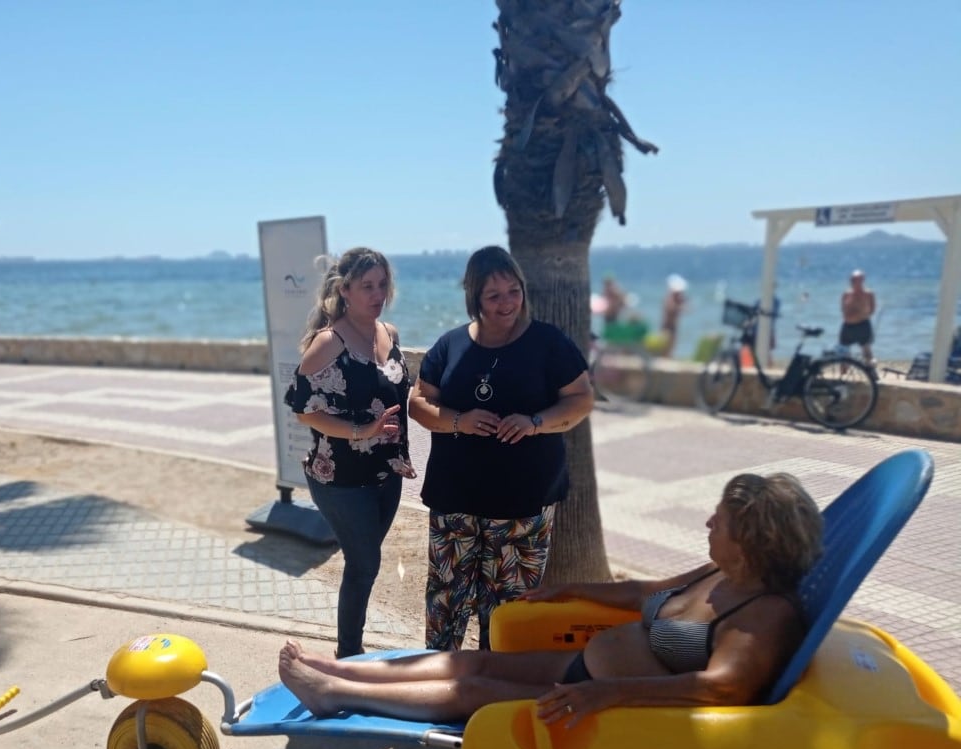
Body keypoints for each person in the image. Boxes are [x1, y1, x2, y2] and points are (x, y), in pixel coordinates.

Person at [277, 472, 823, 724]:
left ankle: (336, 694)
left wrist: (606, 696)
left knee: (472, 688)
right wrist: (572, 587)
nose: (708, 521)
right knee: (475, 658)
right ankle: (342, 670)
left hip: (606, 702)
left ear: (753, 540)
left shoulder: (764, 617)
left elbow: (723, 687)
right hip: (588, 668)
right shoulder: (721, 570)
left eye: (721, 520)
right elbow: (647, 593)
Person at [408, 246, 593, 652]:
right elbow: (418, 403)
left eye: (514, 291)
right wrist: (460, 420)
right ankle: (439, 684)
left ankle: (495, 689)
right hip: (455, 499)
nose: (507, 303)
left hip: (523, 505)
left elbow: (580, 399)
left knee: (509, 609)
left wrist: (535, 422)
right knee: (446, 600)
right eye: (494, 295)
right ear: (474, 298)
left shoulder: (548, 343)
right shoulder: (450, 345)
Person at [285, 247, 415, 659]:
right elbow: (304, 411)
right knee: (365, 564)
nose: (377, 294)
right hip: (339, 476)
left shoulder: (389, 333)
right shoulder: (329, 342)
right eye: (367, 286)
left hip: (385, 470)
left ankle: (351, 653)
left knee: (364, 564)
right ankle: (348, 656)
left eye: (382, 285)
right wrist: (362, 430)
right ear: (345, 290)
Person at [840, 269, 877, 364]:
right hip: (847, 325)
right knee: (843, 350)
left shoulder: (868, 293)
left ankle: (871, 371)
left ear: (862, 280)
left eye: (856, 279)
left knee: (866, 350)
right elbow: (843, 308)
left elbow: (872, 309)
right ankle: (843, 374)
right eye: (852, 279)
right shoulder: (846, 293)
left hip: (862, 324)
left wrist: (860, 314)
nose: (853, 282)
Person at [657, 274, 688, 358]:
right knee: (666, 349)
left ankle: (667, 358)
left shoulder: (676, 299)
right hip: (667, 327)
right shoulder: (670, 298)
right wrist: (680, 306)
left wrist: (681, 303)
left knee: (671, 348)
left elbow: (687, 308)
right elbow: (671, 309)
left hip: (672, 327)